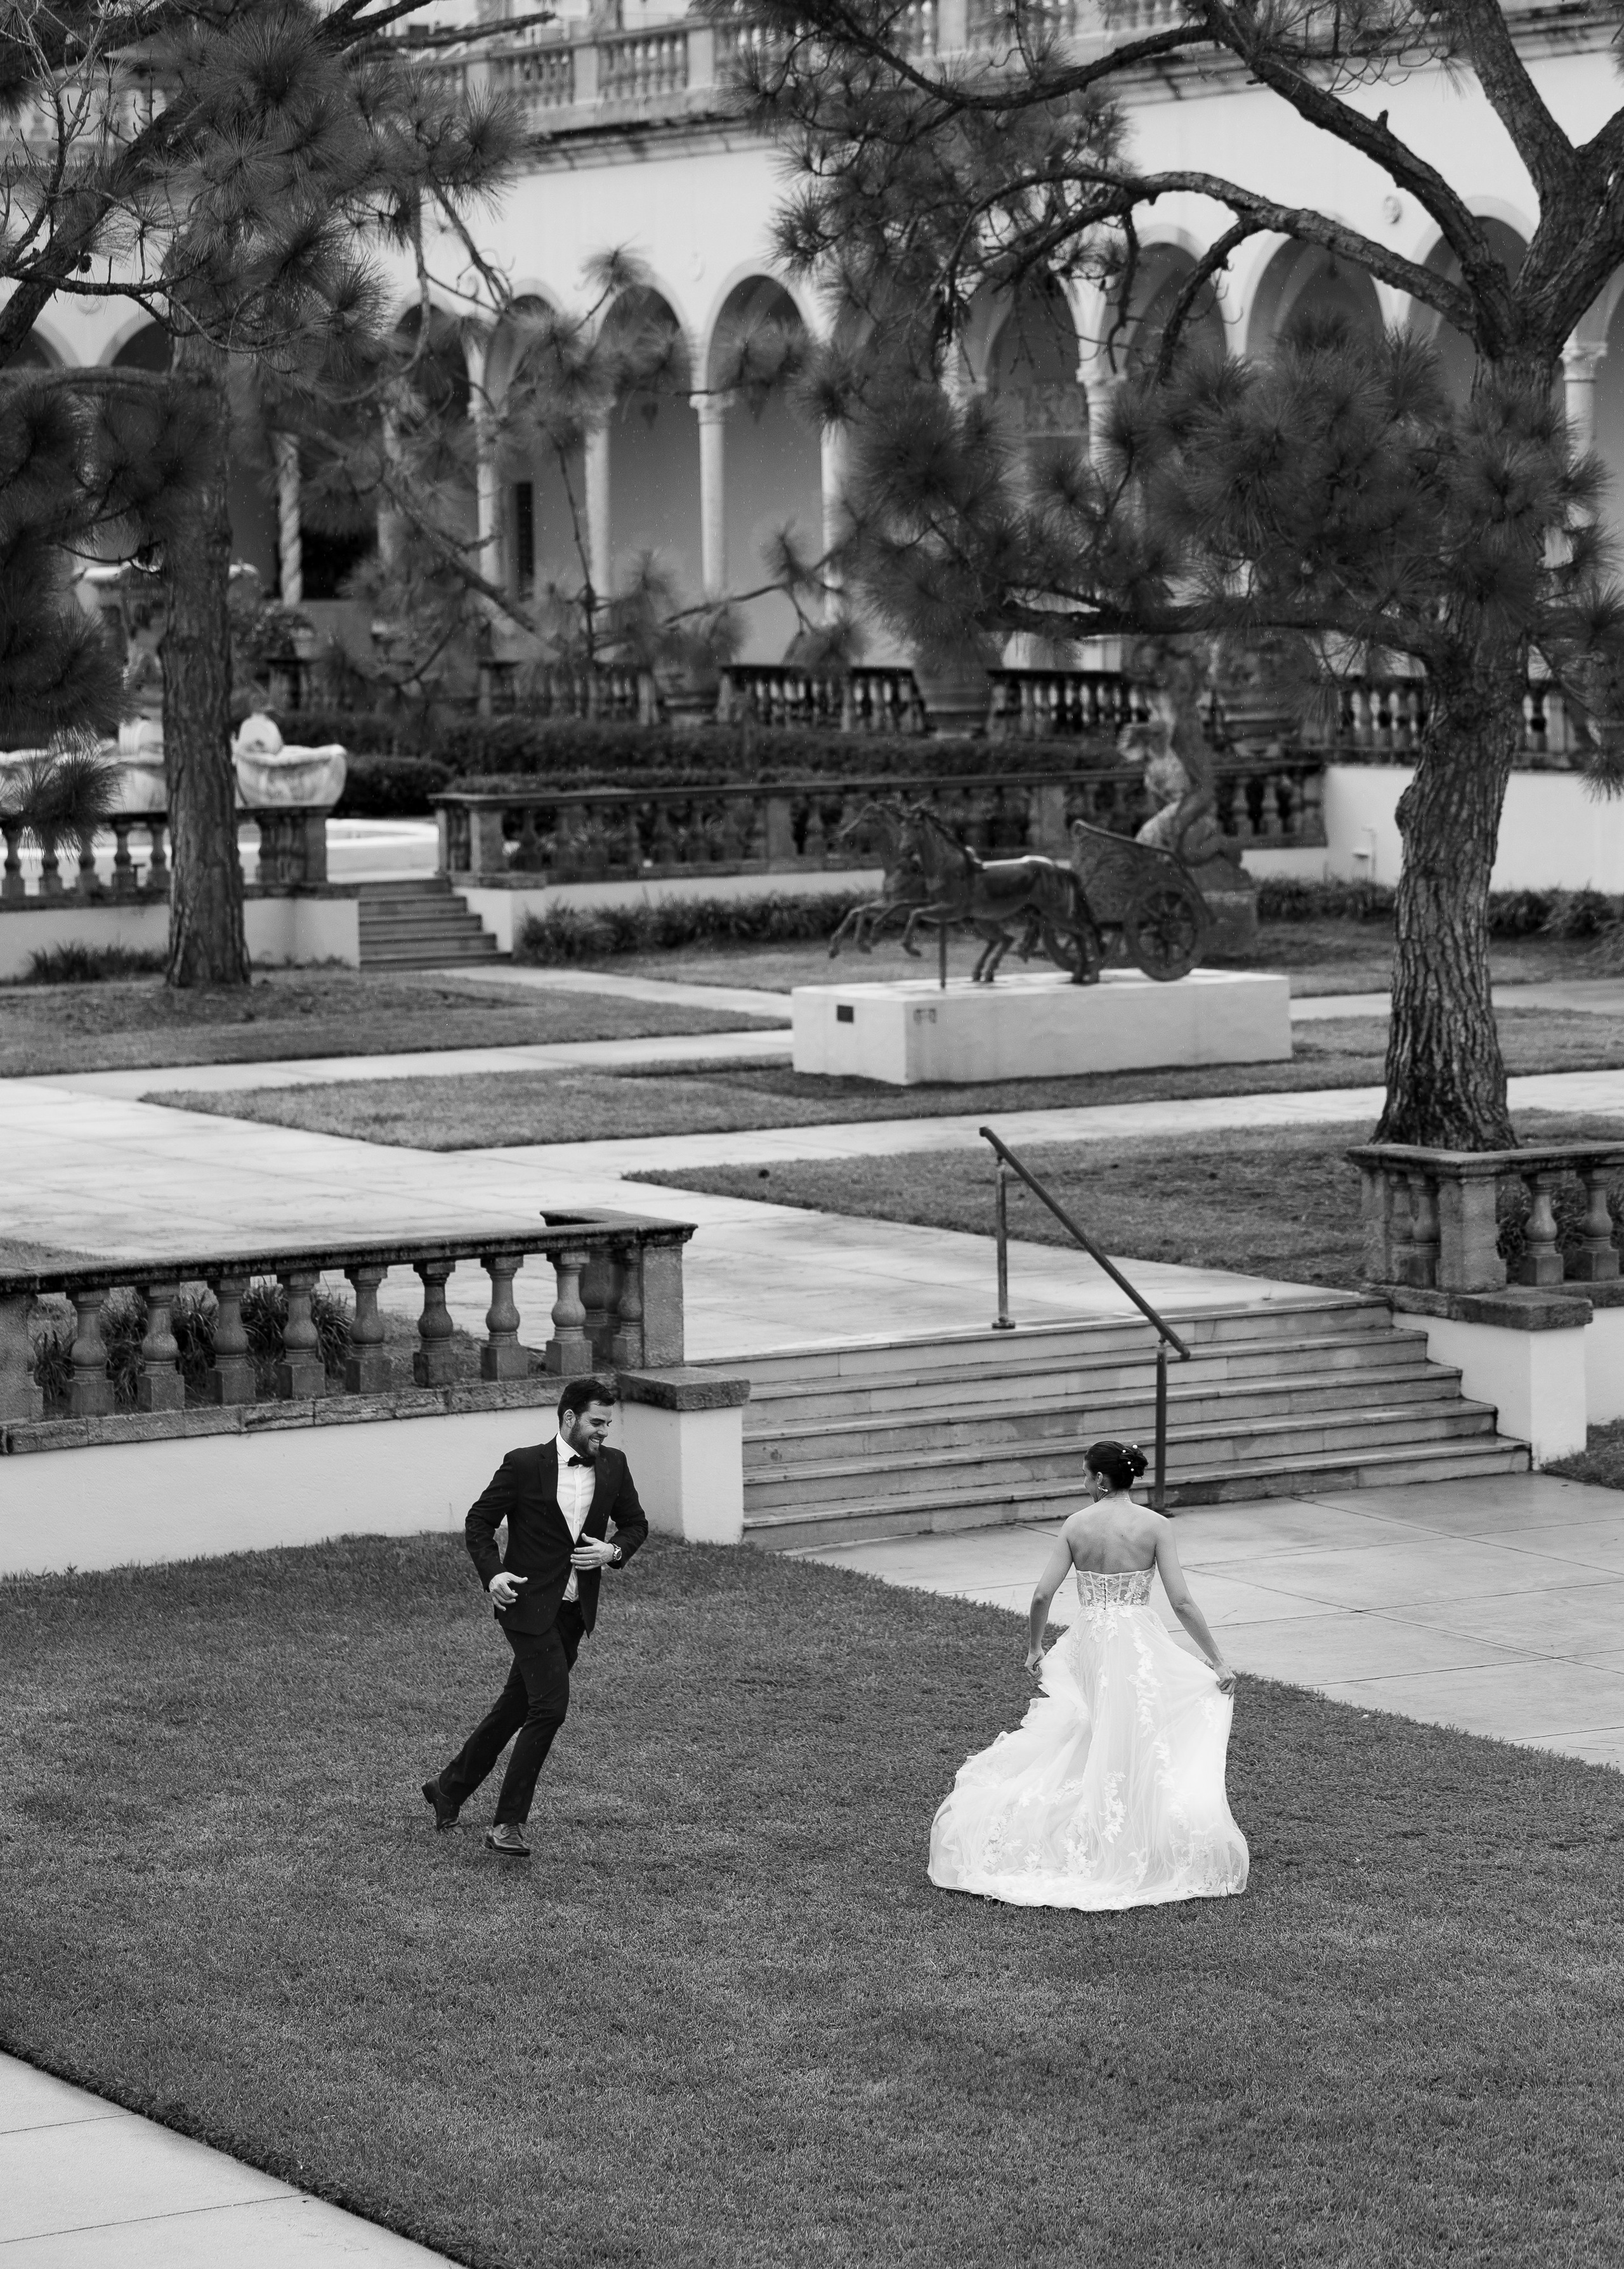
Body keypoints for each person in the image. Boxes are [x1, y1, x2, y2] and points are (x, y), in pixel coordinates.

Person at [929, 1440, 1248, 1911]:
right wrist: (1217, 1661)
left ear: (1100, 1478)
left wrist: (1035, 1647)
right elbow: (1181, 1601)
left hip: (1091, 1642)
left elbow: (1042, 1595)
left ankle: (1096, 1824)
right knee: (1138, 1729)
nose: (1083, 1482)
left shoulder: (1076, 1525)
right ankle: (1133, 1829)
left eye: (1084, 1474)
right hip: (1137, 1642)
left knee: (1095, 1726)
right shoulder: (1156, 1526)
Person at [422, 1375, 647, 1860]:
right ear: (569, 1417)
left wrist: (612, 1551)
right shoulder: (524, 1464)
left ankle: (447, 1788)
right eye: (597, 1422)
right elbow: (479, 1521)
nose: (604, 1431)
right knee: (550, 1708)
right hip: (524, 1605)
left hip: (573, 1612)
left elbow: (636, 1524)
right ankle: (507, 1824)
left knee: (516, 1707)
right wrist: (493, 1574)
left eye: (608, 1423)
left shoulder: (614, 1465)